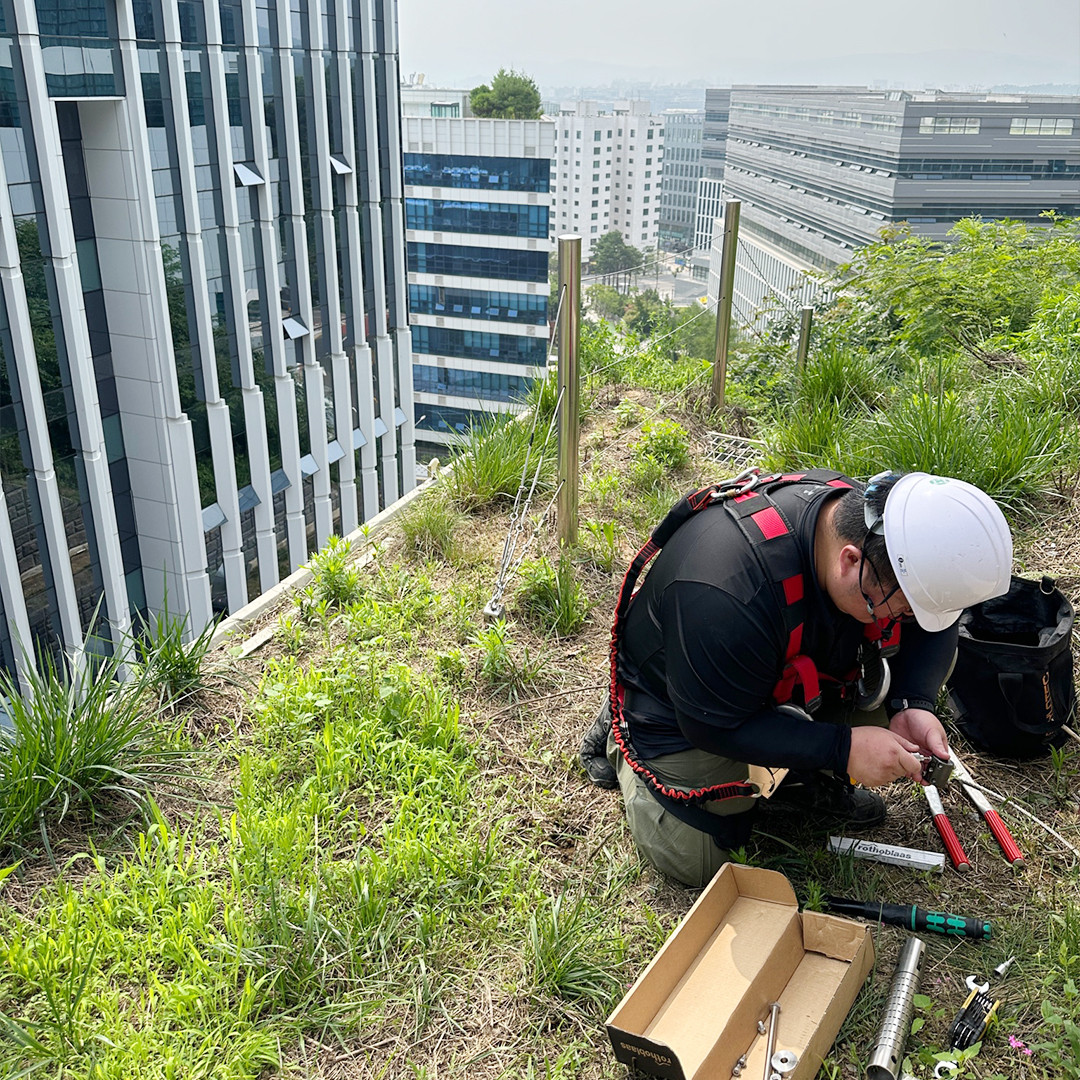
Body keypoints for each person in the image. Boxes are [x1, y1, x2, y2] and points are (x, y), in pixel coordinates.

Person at [579, 469, 1013, 887]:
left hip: (775, 663)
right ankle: (623, 726)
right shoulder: (724, 592)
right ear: (851, 562)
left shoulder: (884, 528)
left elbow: (932, 632)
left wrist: (912, 702)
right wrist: (841, 749)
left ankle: (799, 767)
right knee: (697, 859)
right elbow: (713, 725)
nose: (905, 620)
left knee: (893, 679)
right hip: (689, 703)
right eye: (900, 609)